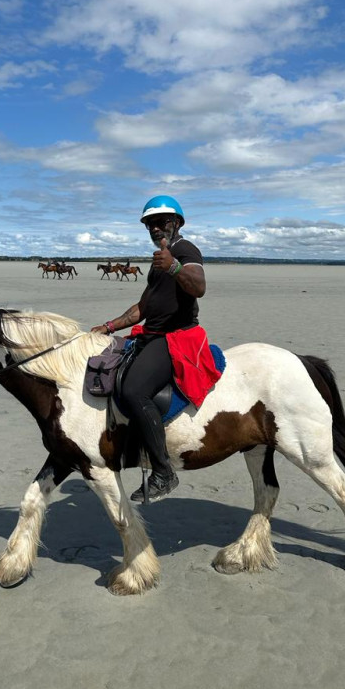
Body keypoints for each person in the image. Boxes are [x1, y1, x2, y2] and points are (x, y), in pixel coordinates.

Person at [91, 195, 208, 502]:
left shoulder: (184, 250)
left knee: (133, 390)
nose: (156, 228)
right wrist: (109, 327)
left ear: (177, 223)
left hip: (176, 337)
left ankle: (164, 472)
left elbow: (199, 287)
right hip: (151, 333)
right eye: (151, 224)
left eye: (162, 222)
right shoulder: (159, 260)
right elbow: (142, 308)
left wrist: (174, 267)